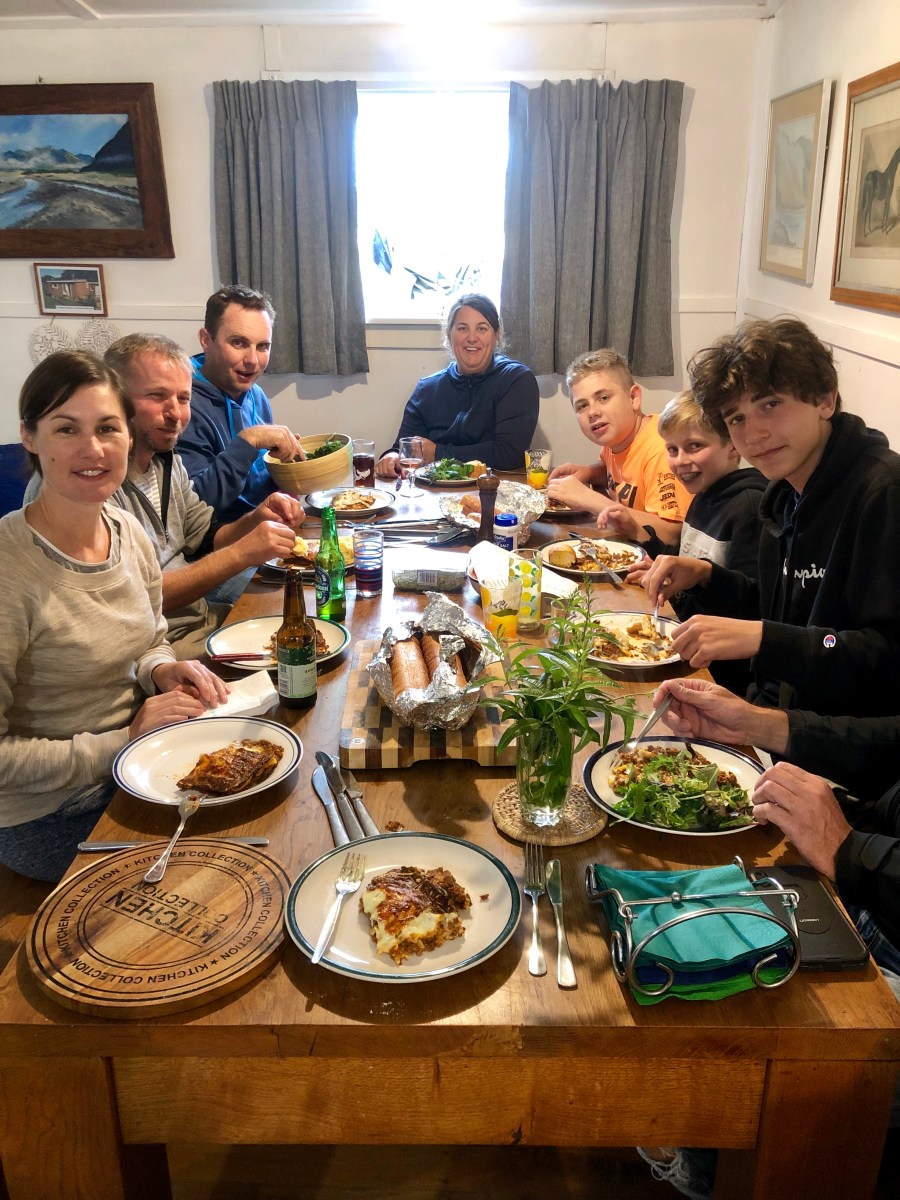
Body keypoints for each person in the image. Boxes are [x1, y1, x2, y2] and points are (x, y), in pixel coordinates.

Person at [0, 351, 228, 883]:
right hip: (50, 814)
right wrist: (122, 740)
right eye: (66, 428)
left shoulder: (125, 531)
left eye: (107, 427)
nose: (92, 449)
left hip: (140, 763)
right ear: (29, 437)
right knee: (221, 869)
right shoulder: (11, 571)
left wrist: (164, 670)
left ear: (128, 436)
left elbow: (150, 639)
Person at [643, 317, 900, 724]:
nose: (754, 433)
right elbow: (783, 610)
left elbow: (884, 652)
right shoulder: (781, 494)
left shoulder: (881, 490)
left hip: (835, 745)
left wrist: (765, 638)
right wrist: (707, 576)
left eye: (770, 404)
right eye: (736, 418)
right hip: (769, 713)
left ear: (825, 400)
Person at [102, 334, 304, 658]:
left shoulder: (165, 460)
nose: (175, 413)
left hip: (202, 621)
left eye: (183, 399)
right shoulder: (96, 481)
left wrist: (258, 517)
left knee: (307, 622)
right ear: (114, 398)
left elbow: (205, 536)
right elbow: (139, 597)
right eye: (157, 396)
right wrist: (242, 553)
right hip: (160, 649)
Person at [600, 390, 766, 693]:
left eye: (694, 447)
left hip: (719, 673)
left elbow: (750, 604)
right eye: (672, 449)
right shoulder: (703, 494)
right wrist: (641, 537)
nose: (680, 461)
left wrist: (697, 579)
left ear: (732, 445)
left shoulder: (749, 506)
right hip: (683, 644)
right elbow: (688, 560)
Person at [177, 285, 306, 525]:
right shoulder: (183, 404)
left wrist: (287, 465)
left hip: (269, 528)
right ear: (206, 340)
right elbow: (194, 508)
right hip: (224, 544)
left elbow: (260, 486)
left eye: (263, 346)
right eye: (238, 343)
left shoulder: (256, 394)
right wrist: (249, 442)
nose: (252, 361)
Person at [375, 293, 538, 476]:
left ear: (496, 336)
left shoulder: (517, 380)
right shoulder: (427, 388)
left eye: (482, 329)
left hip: (492, 490)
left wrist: (438, 453)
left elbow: (509, 454)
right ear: (448, 335)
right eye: (462, 328)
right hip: (431, 492)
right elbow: (405, 449)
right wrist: (391, 457)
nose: (472, 338)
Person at [546, 348, 691, 544]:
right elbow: (617, 475)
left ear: (634, 398)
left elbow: (673, 534)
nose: (592, 412)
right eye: (582, 406)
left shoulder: (662, 451)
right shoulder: (615, 439)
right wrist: (589, 472)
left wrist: (592, 501)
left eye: (603, 398)